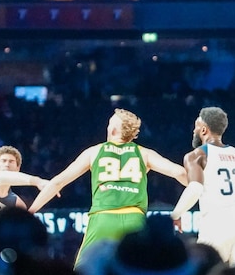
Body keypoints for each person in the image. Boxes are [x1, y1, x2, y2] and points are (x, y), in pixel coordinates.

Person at [29, 108, 188, 266]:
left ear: (112, 130)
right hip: (134, 219)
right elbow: (180, 172)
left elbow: (58, 182)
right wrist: (199, 192)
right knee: (139, 271)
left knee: (84, 274)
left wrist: (30, 211)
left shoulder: (94, 152)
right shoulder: (144, 153)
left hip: (103, 217)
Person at [170, 107, 235, 266]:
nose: (194, 130)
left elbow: (195, 189)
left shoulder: (197, 155)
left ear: (204, 129)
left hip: (216, 223)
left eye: (196, 126)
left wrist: (176, 215)